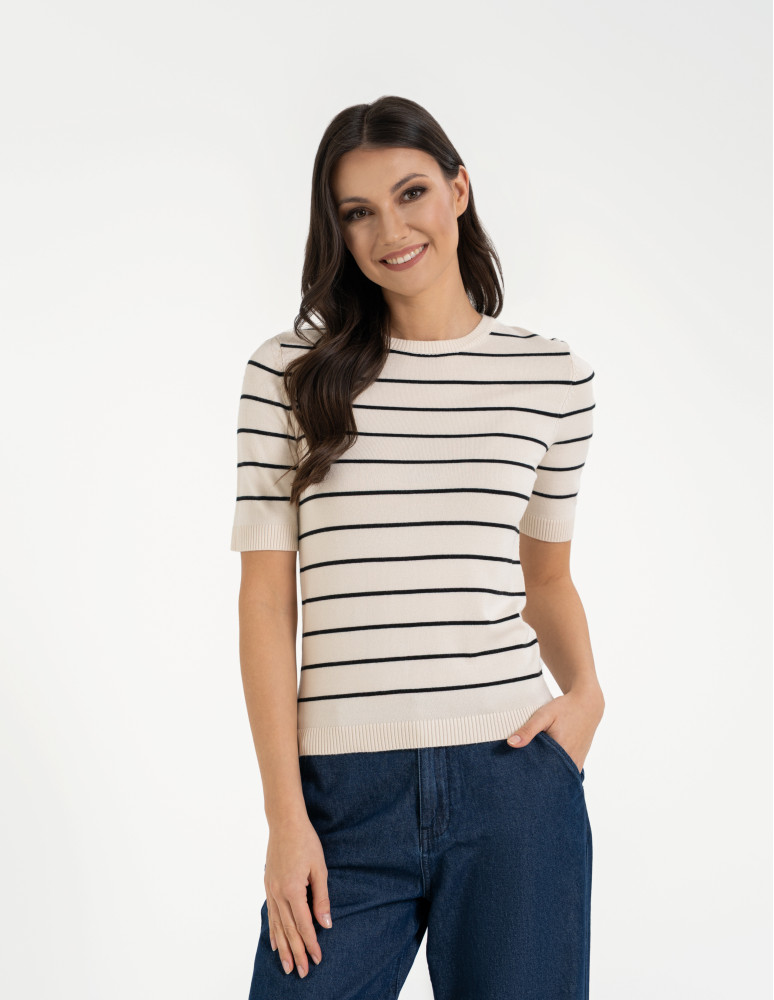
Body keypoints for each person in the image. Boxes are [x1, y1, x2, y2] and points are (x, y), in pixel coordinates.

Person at [230, 94, 605, 1000]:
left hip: (514, 784)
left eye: (411, 194)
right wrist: (286, 817)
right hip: (341, 799)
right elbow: (267, 602)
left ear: (458, 190)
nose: (391, 231)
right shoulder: (288, 374)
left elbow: (548, 580)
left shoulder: (552, 378)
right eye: (358, 212)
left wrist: (587, 694)